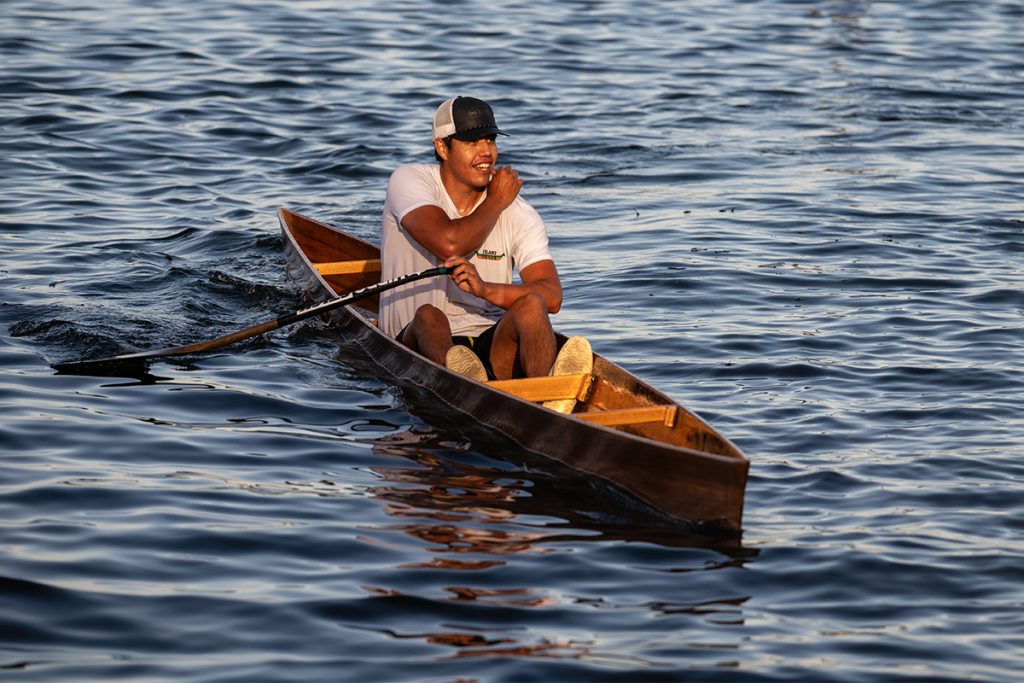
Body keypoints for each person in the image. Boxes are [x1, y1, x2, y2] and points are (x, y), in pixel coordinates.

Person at [379, 96, 589, 409]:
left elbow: (552, 296)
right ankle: (465, 394)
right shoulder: (408, 181)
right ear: (442, 148)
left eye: (490, 139)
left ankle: (550, 403)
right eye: (471, 141)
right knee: (429, 315)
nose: (485, 152)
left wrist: (485, 289)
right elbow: (449, 243)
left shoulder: (519, 213)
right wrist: (496, 202)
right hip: (416, 339)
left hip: (492, 345)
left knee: (532, 304)